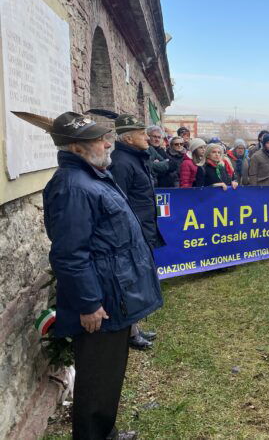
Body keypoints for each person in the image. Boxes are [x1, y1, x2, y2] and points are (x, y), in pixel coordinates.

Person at [15, 110, 162, 440]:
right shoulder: (73, 187)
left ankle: (104, 432)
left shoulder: (92, 176)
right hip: (101, 302)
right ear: (77, 148)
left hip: (114, 294)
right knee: (97, 379)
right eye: (99, 139)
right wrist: (88, 304)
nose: (108, 143)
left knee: (107, 377)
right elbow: (69, 254)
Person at [109, 115, 166, 351]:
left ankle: (135, 328)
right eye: (143, 134)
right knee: (132, 282)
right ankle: (131, 333)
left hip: (143, 228)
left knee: (140, 279)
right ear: (129, 138)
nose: (147, 137)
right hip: (134, 232)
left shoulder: (136, 158)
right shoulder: (122, 162)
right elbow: (119, 202)